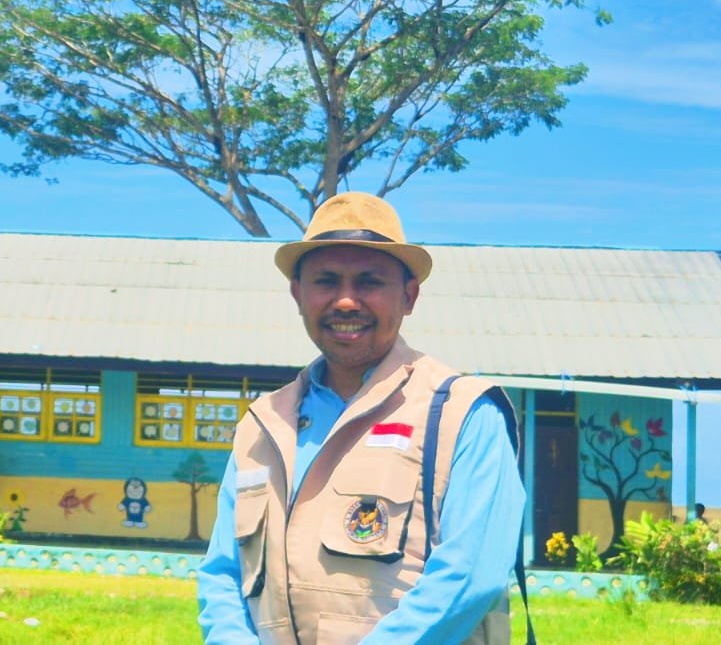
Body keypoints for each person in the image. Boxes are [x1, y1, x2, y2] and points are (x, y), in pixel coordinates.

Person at [197, 192, 527, 644]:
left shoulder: (462, 414)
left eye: (369, 282)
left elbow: (470, 576)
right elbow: (221, 574)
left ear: (409, 296)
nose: (347, 301)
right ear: (298, 294)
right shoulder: (262, 424)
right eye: (326, 281)